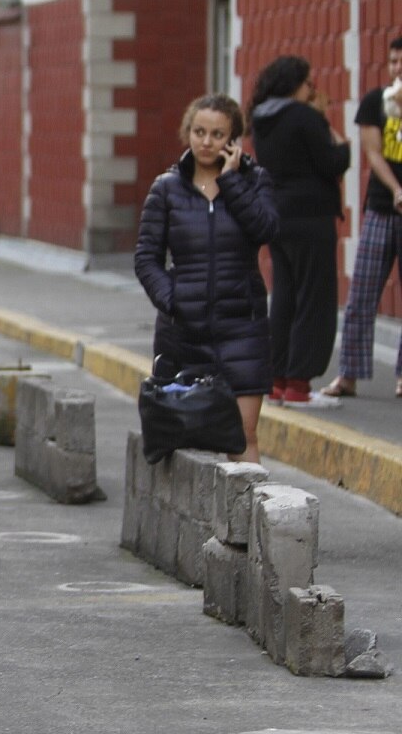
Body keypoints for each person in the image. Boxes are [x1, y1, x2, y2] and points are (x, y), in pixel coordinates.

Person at [135, 95, 280, 463]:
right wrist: (174, 299)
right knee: (174, 436)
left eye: (218, 134)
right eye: (199, 131)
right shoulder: (166, 188)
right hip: (183, 330)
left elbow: (266, 228)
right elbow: (146, 259)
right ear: (188, 132)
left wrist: (231, 182)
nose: (206, 141)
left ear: (234, 139)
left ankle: (246, 520)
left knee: (243, 434)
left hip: (242, 328)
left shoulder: (254, 181)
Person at [249, 55, 351, 409]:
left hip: (278, 215)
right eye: (309, 84)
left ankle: (277, 379)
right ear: (295, 84)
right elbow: (334, 161)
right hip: (311, 216)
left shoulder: (261, 119)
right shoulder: (305, 117)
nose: (313, 90)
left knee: (284, 296)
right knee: (314, 297)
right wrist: (327, 123)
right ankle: (299, 385)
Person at [323, 36, 402, 401]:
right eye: (392, 62)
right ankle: (349, 375)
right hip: (382, 208)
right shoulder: (376, 103)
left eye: (401, 62)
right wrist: (397, 190)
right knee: (362, 293)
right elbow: (373, 152)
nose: (396, 69)